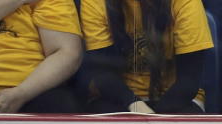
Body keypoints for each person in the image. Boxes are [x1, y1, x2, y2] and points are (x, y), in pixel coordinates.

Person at [79, 0, 214, 113]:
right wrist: (134, 104)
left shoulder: (185, 2)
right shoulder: (95, 3)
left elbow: (189, 80)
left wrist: (153, 119)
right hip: (117, 96)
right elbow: (103, 74)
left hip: (177, 97)